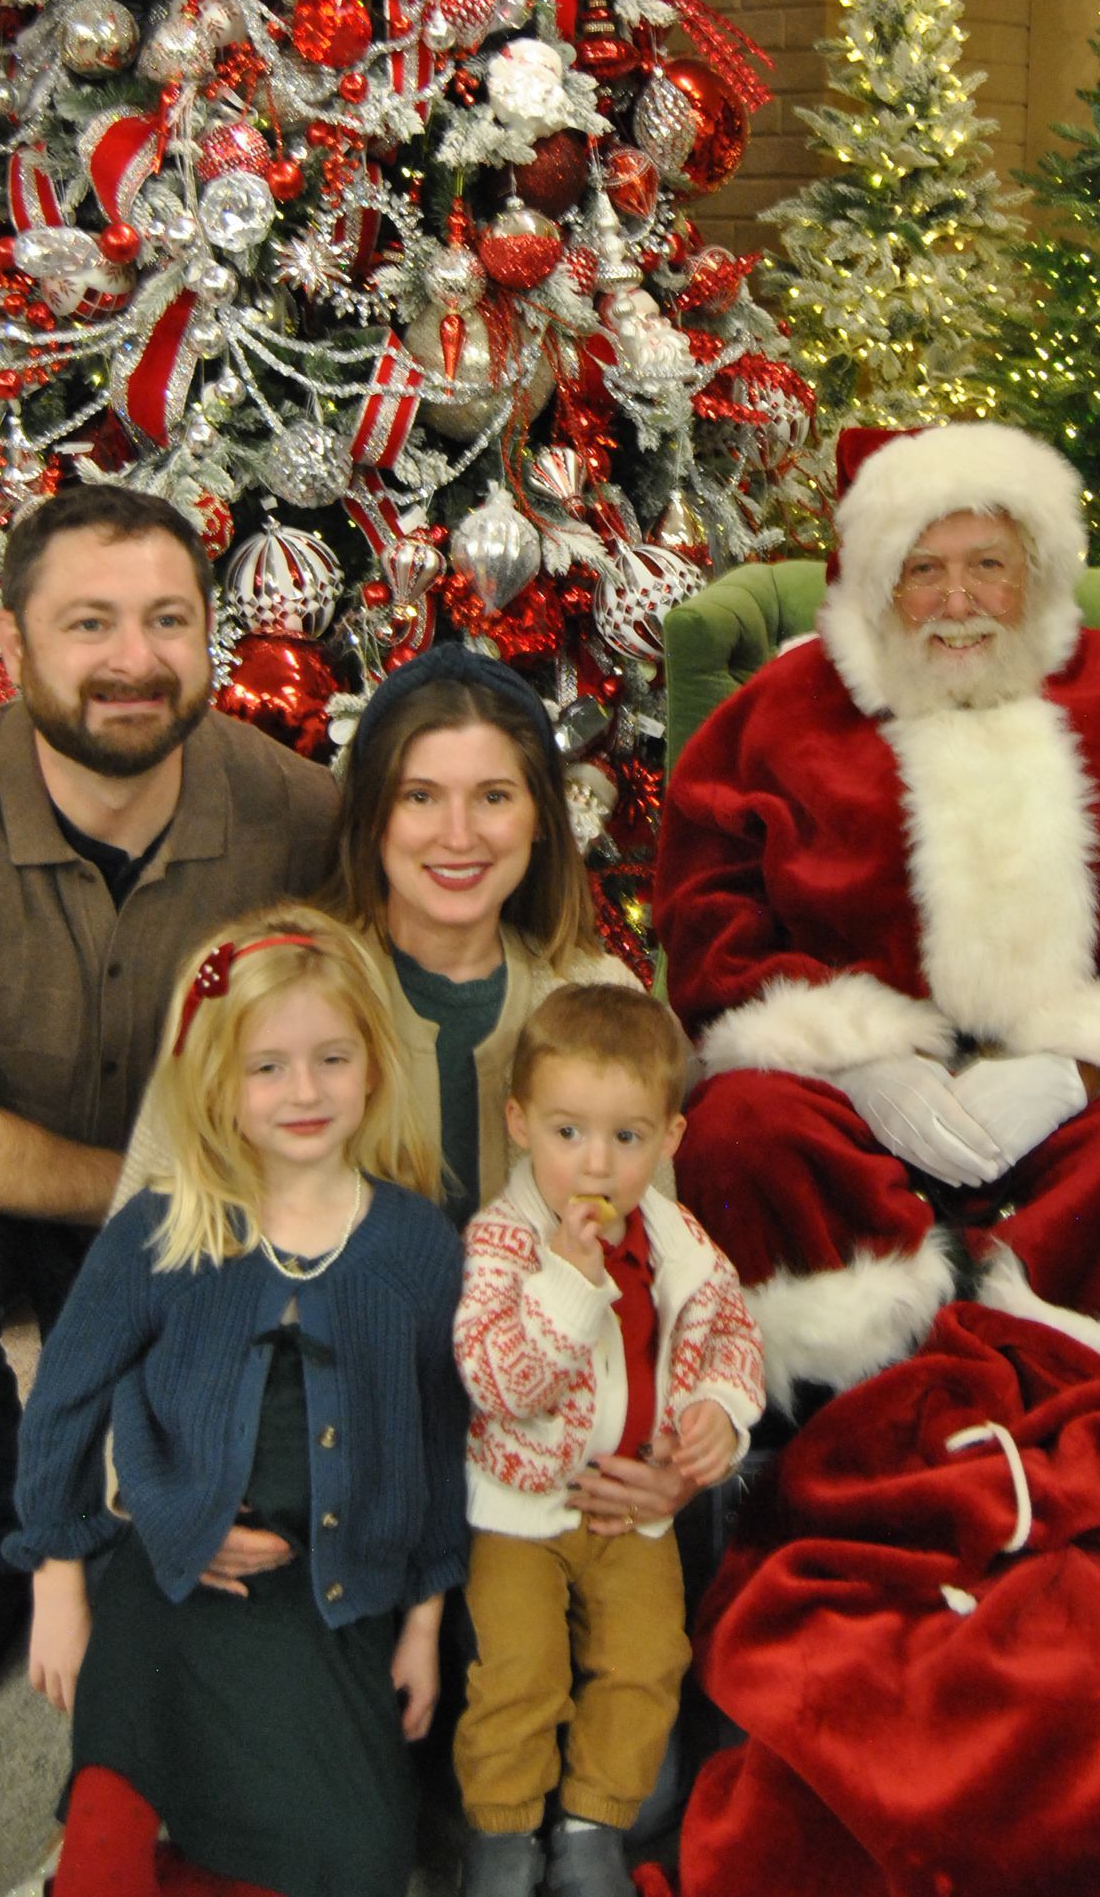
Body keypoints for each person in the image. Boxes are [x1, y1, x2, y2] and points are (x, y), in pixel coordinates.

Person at [0, 484, 339, 1720]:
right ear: (11, 641)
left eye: (167, 620)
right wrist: (144, 1191)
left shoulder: (304, 820)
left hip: (217, 1182)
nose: (133, 661)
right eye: (88, 623)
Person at [655, 420, 1100, 1425]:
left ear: (1035, 569)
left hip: (1078, 1105)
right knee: (739, 1133)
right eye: (923, 570)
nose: (957, 602)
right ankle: (832, 1417)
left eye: (987, 565)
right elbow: (708, 919)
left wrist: (1073, 1071)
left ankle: (1096, 1430)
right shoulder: (780, 713)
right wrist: (855, 1063)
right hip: (843, 1107)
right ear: (875, 581)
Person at [116, 644, 686, 1589]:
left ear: (540, 819)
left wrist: (670, 1450)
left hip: (546, 1462)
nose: (457, 835)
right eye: (420, 796)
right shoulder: (262, 986)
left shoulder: (601, 1000)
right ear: (372, 815)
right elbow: (145, 1259)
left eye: (493, 796)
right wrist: (148, 1480)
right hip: (325, 1449)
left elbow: (660, 1273)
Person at [8, 905, 467, 1897]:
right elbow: (62, 1407)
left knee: (360, 1866)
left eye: (332, 1059)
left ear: (373, 1065)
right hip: (174, 1582)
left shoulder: (417, 1248)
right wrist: (57, 1584)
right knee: (102, 1861)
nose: (304, 1091)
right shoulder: (162, 1230)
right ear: (215, 1081)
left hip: (333, 1600)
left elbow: (439, 1447)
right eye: (266, 1066)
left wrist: (425, 1625)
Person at [452, 984, 765, 1897]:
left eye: (626, 1137)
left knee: (647, 1660)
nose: (595, 1163)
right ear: (519, 1123)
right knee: (517, 1670)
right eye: (567, 1133)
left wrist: (721, 1410)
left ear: (669, 1139)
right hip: (521, 1511)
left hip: (634, 1510)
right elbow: (500, 1384)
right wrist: (566, 1281)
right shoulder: (502, 1243)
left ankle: (593, 1825)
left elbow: (731, 1334)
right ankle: (502, 1833)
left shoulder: (680, 1242)